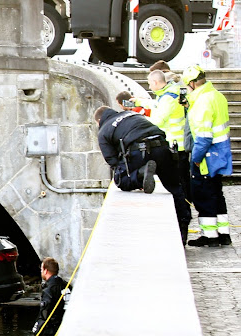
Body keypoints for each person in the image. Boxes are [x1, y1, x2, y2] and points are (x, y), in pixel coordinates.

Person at [94, 105, 192, 244]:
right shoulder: (132, 114)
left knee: (121, 180)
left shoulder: (104, 130)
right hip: (162, 147)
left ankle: (141, 174)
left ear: (99, 121)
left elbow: (112, 160)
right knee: (175, 188)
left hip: (139, 151)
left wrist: (130, 174)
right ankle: (183, 228)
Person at [182, 65, 233, 247]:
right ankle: (224, 234)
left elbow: (203, 137)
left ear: (192, 84)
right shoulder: (217, 96)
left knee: (203, 195)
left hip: (206, 157)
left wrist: (195, 158)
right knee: (217, 194)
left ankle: (210, 236)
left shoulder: (202, 102)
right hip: (220, 154)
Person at [131, 70, 191, 203]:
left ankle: (185, 208)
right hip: (176, 144)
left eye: (149, 83)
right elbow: (156, 105)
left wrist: (139, 119)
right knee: (181, 179)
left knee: (180, 180)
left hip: (176, 145)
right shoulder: (167, 94)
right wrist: (138, 102)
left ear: (155, 82)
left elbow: (158, 120)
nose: (149, 87)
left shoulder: (168, 98)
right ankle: (185, 205)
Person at [28, 257, 67, 336]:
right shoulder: (66, 286)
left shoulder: (49, 290)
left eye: (41, 270)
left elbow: (44, 317)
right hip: (66, 333)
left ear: (45, 270)